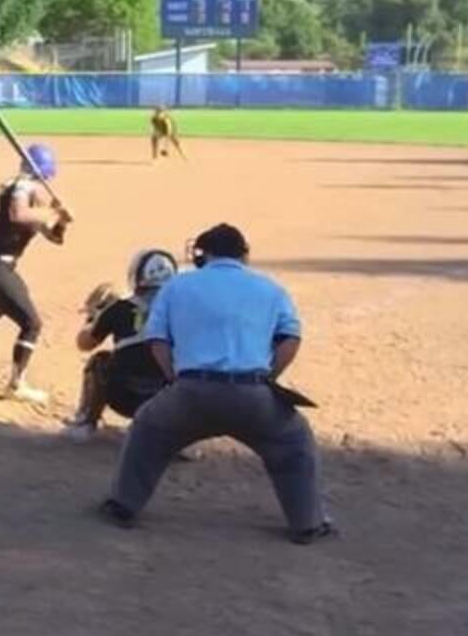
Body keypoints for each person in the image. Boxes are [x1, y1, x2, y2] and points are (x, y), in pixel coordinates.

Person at [97, 223, 333, 545]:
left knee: (147, 430)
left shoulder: (176, 287)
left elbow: (157, 342)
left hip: (192, 390)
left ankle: (122, 505)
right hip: (252, 393)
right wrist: (269, 377)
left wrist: (173, 380)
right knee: (295, 443)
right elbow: (291, 338)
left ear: (202, 254)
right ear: (244, 255)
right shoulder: (270, 288)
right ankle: (308, 523)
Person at [0, 143, 70, 404]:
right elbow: (17, 215)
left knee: (17, 295)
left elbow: (54, 238)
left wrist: (62, 222)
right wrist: (53, 211)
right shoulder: (21, 188)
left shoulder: (33, 195)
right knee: (31, 323)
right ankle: (16, 385)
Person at [62, 248, 181, 443]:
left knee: (99, 361)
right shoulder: (185, 309)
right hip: (166, 400)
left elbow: (84, 344)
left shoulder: (119, 308)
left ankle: (86, 423)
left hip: (123, 397)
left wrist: (93, 317)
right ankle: (181, 436)